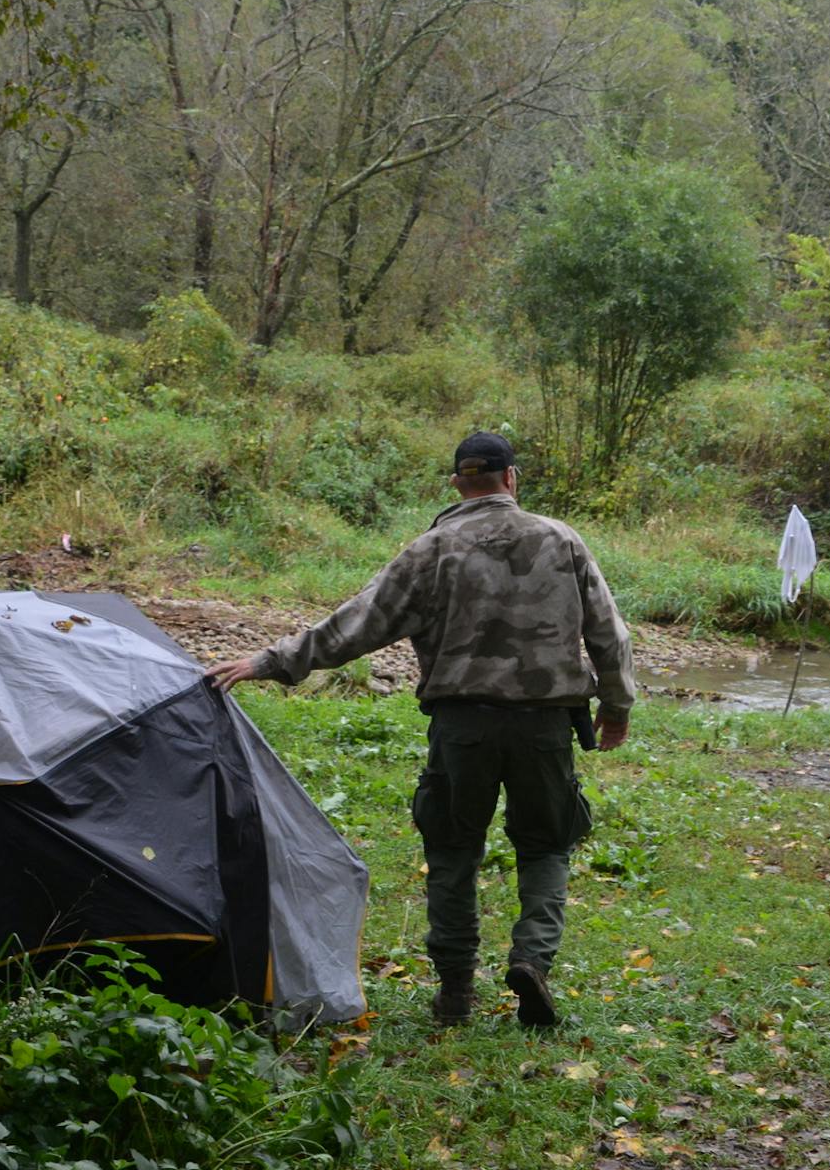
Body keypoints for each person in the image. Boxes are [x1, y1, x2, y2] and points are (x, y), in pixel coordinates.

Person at [206, 430, 633, 1029]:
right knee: (545, 843)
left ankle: (455, 991)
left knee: (454, 848)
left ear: (459, 483)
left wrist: (270, 661)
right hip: (544, 727)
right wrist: (615, 709)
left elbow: (357, 623)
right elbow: (609, 636)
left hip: (462, 728)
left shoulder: (433, 548)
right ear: (512, 480)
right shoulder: (562, 539)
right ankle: (531, 959)